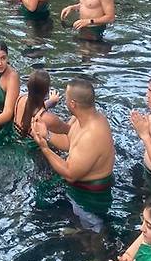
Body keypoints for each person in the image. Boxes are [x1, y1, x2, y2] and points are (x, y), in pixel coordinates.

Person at [31, 78, 115, 232]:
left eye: (66, 97)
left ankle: (95, 241)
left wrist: (44, 148)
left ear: (73, 104)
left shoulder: (92, 134)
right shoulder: (79, 118)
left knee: (90, 232)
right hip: (77, 188)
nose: (64, 101)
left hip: (89, 198)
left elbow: (70, 174)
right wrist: (46, 135)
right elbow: (70, 142)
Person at [12, 70, 68, 143]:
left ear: (28, 86)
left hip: (16, 139)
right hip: (35, 148)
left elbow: (32, 108)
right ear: (47, 91)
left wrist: (50, 102)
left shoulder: (19, 99)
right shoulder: (48, 119)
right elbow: (70, 131)